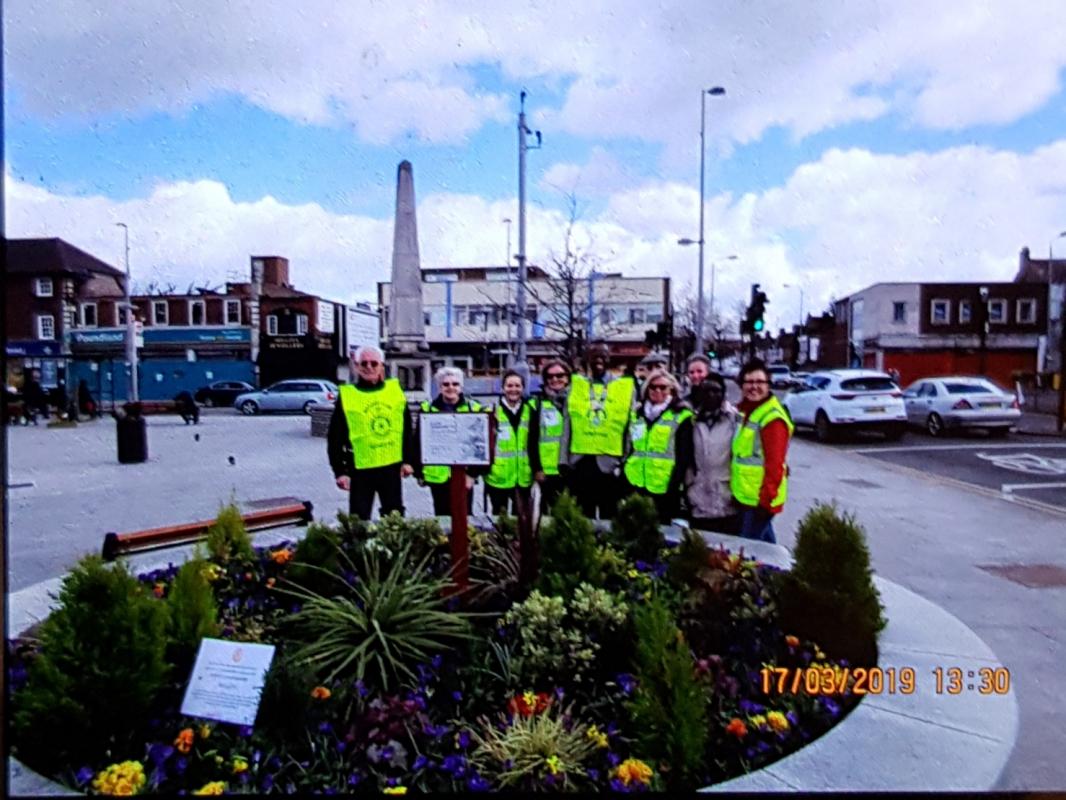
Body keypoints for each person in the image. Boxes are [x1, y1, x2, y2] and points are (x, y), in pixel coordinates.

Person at [328, 345, 416, 521]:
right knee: (358, 520)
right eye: (364, 363)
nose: (369, 367)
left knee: (394, 518)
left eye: (374, 363)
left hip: (391, 466)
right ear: (356, 366)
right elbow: (335, 437)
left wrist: (409, 460)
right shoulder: (347, 395)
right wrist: (340, 471)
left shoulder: (394, 392)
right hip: (360, 468)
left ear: (382, 366)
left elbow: (406, 429)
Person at [566, 344, 636, 520]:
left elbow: (630, 425)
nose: (599, 359)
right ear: (587, 360)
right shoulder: (577, 387)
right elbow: (568, 423)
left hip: (609, 464)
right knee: (582, 518)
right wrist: (564, 460)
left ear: (609, 359)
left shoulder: (624, 387)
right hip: (580, 462)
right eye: (594, 355)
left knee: (610, 516)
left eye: (603, 355)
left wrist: (625, 459)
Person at [731, 358, 794, 543]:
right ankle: (778, 570)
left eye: (760, 382)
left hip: (759, 500)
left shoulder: (772, 418)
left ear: (768, 385)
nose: (754, 387)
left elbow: (774, 464)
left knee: (748, 548)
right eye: (749, 382)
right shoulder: (747, 411)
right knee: (766, 546)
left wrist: (765, 502)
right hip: (747, 496)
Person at [622, 368, 693, 523]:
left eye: (663, 387)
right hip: (635, 483)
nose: (657, 390)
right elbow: (630, 448)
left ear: (672, 390)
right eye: (653, 387)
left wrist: (674, 487)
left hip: (664, 488)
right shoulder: (637, 414)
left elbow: (683, 457)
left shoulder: (681, 415)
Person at [417, 366, 484, 516]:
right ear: (439, 387)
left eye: (455, 384)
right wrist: (419, 473)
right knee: (442, 518)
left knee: (464, 517)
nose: (451, 388)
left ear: (461, 387)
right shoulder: (427, 409)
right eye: (446, 384)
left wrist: (473, 474)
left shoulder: (474, 409)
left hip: (464, 475)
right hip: (438, 476)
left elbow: (481, 445)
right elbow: (418, 442)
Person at [685, 372, 740, 534]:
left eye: (716, 391)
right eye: (707, 391)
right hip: (698, 500)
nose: (711, 395)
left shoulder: (735, 420)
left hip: (727, 501)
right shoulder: (691, 421)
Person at [485, 369, 538, 516]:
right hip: (498, 476)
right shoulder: (491, 412)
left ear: (523, 388)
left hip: (523, 477)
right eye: (509, 386)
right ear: (502, 388)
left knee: (522, 519)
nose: (513, 389)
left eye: (517, 386)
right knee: (499, 519)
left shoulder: (531, 411)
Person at [531, 359, 571, 514]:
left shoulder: (577, 401)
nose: (555, 379)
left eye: (560, 375)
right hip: (548, 472)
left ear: (568, 377)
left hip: (570, 469)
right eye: (550, 376)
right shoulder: (539, 403)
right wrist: (537, 468)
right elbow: (532, 439)